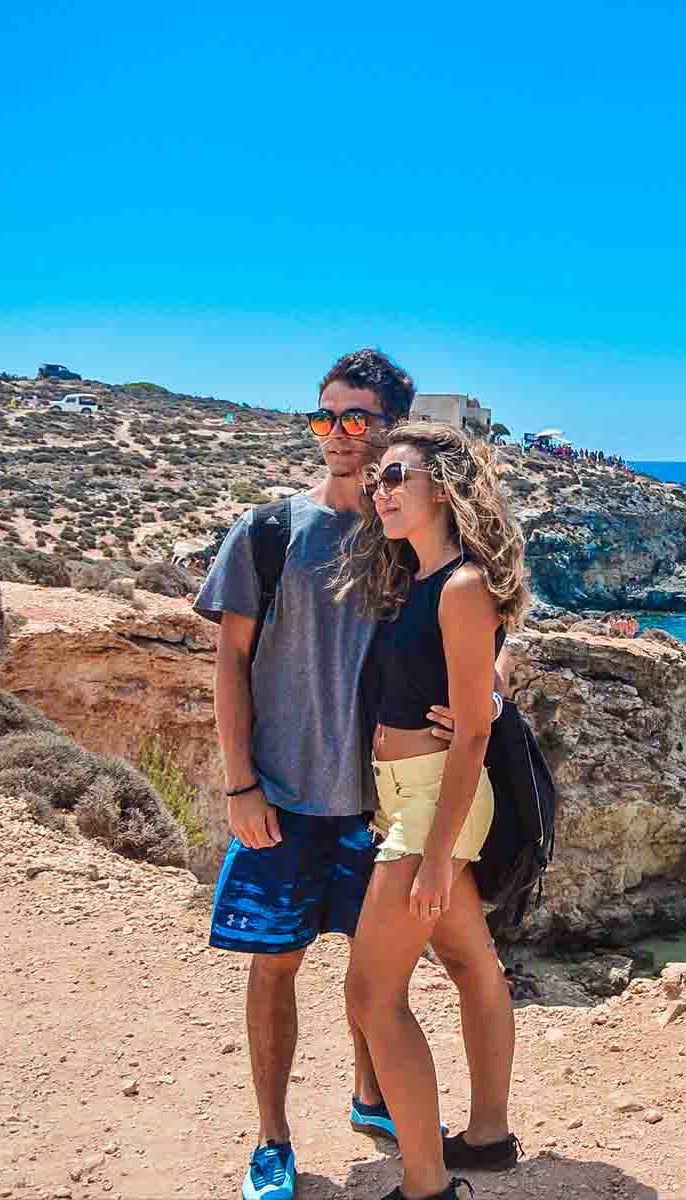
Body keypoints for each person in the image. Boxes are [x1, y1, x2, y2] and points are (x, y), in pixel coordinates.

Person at [195, 348, 413, 1200]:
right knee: (274, 965)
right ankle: (272, 1139)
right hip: (281, 799)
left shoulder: (410, 537)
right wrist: (239, 784)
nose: (337, 435)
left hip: (379, 804)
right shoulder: (268, 532)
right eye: (325, 417)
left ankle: (372, 1098)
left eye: (356, 418)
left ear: (392, 426)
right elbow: (230, 666)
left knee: (377, 970)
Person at [334, 423, 531, 1200]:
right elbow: (484, 671)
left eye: (395, 477)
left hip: (435, 806)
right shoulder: (415, 579)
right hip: (406, 801)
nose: (378, 490)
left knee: (370, 995)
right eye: (375, 480)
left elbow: (476, 729)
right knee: (468, 961)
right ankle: (487, 1137)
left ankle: (427, 1186)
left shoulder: (459, 584)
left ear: (442, 489)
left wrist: (441, 853)